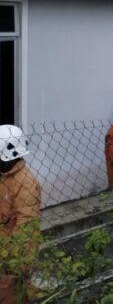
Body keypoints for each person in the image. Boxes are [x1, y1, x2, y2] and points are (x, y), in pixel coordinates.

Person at [0, 125, 41, 304]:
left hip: (12, 256)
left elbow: (26, 228)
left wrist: (16, 260)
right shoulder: (5, 176)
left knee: (10, 292)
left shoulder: (26, 184)